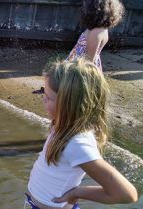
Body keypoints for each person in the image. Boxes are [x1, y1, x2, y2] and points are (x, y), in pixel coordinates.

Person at [25, 59, 138, 209]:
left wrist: (78, 193)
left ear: (69, 104)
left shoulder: (77, 143)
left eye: (49, 97)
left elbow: (126, 194)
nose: (43, 99)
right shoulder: (63, 125)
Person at [66, 0, 124, 71]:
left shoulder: (96, 33)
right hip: (76, 65)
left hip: (78, 69)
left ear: (94, 9)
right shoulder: (100, 29)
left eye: (86, 6)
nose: (84, 9)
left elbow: (88, 62)